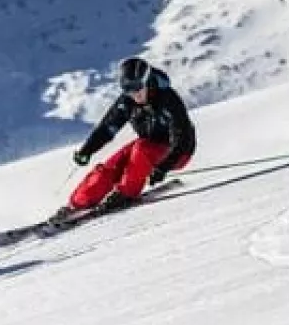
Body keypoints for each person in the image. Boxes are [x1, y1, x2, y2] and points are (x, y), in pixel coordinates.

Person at [49, 56, 196, 224]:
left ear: (147, 81)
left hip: (178, 152)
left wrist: (164, 166)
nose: (134, 94)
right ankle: (78, 203)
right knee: (113, 165)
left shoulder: (168, 100)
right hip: (147, 146)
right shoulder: (127, 102)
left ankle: (126, 193)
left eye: (137, 88)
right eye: (128, 89)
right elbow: (107, 128)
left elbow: (182, 137)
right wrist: (87, 150)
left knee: (141, 149)